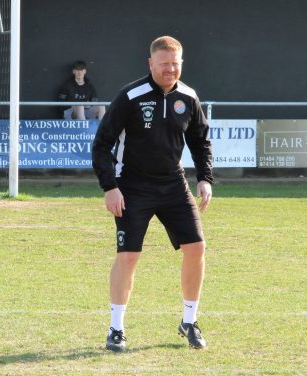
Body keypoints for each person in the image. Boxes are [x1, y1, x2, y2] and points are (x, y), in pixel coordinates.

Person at [92, 36, 213, 351]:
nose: (170, 70)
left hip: (174, 185)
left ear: (181, 63)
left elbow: (200, 140)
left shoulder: (188, 97)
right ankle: (116, 328)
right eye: (164, 64)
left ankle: (189, 320)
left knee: (197, 248)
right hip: (132, 187)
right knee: (128, 256)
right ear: (151, 64)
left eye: (175, 64)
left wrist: (205, 178)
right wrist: (110, 187)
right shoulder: (130, 96)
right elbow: (102, 143)